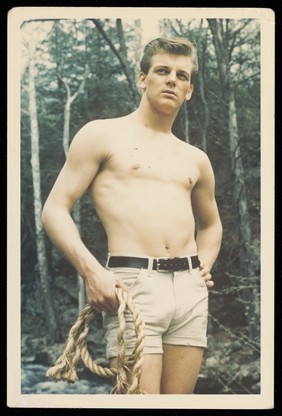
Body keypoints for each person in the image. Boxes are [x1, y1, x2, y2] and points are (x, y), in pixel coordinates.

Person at [42, 37, 223, 394]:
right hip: (133, 285)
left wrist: (204, 265)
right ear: (143, 79)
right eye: (162, 71)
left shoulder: (196, 158)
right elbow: (54, 210)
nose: (172, 79)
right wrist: (93, 273)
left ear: (189, 90)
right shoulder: (101, 134)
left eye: (181, 75)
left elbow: (212, 224)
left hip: (190, 292)